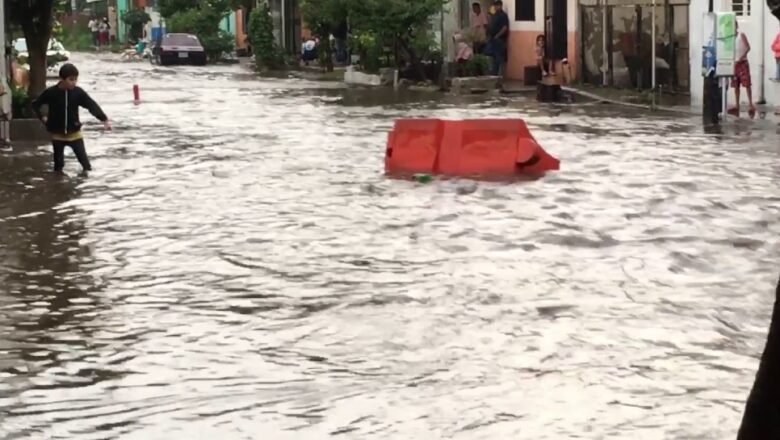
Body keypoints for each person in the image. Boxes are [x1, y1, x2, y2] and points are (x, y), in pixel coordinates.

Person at [31, 63, 112, 174]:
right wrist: (43, 117)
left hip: (75, 134)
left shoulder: (78, 93)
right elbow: (36, 105)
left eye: (75, 79)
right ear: (62, 79)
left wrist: (104, 119)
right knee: (58, 167)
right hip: (57, 135)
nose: (74, 82)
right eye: (71, 79)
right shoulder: (51, 93)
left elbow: (91, 105)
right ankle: (58, 187)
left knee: (86, 165)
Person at [730, 21, 756, 118]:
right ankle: (737, 105)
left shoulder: (741, 35)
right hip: (734, 63)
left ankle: (750, 104)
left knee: (747, 84)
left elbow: (748, 47)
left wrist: (742, 57)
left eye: (734, 26)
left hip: (743, 62)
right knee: (736, 85)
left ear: (737, 26)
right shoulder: (730, 38)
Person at [486, 0, 509, 76]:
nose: (495, 7)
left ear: (500, 5)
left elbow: (504, 27)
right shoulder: (495, 15)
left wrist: (497, 36)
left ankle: (498, 75)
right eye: (494, 5)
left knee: (498, 57)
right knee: (493, 56)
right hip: (493, 39)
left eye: (496, 5)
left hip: (499, 39)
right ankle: (494, 74)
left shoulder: (503, 15)